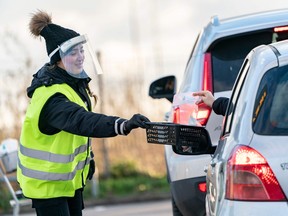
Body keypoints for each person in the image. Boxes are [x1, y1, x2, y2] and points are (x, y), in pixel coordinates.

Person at [17, 10, 150, 216]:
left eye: (81, 50)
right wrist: (122, 125)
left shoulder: (71, 85)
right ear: (58, 59)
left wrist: (89, 157)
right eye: (73, 53)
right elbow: (81, 121)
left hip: (67, 182)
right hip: (47, 187)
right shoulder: (52, 95)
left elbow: (71, 134)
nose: (80, 57)